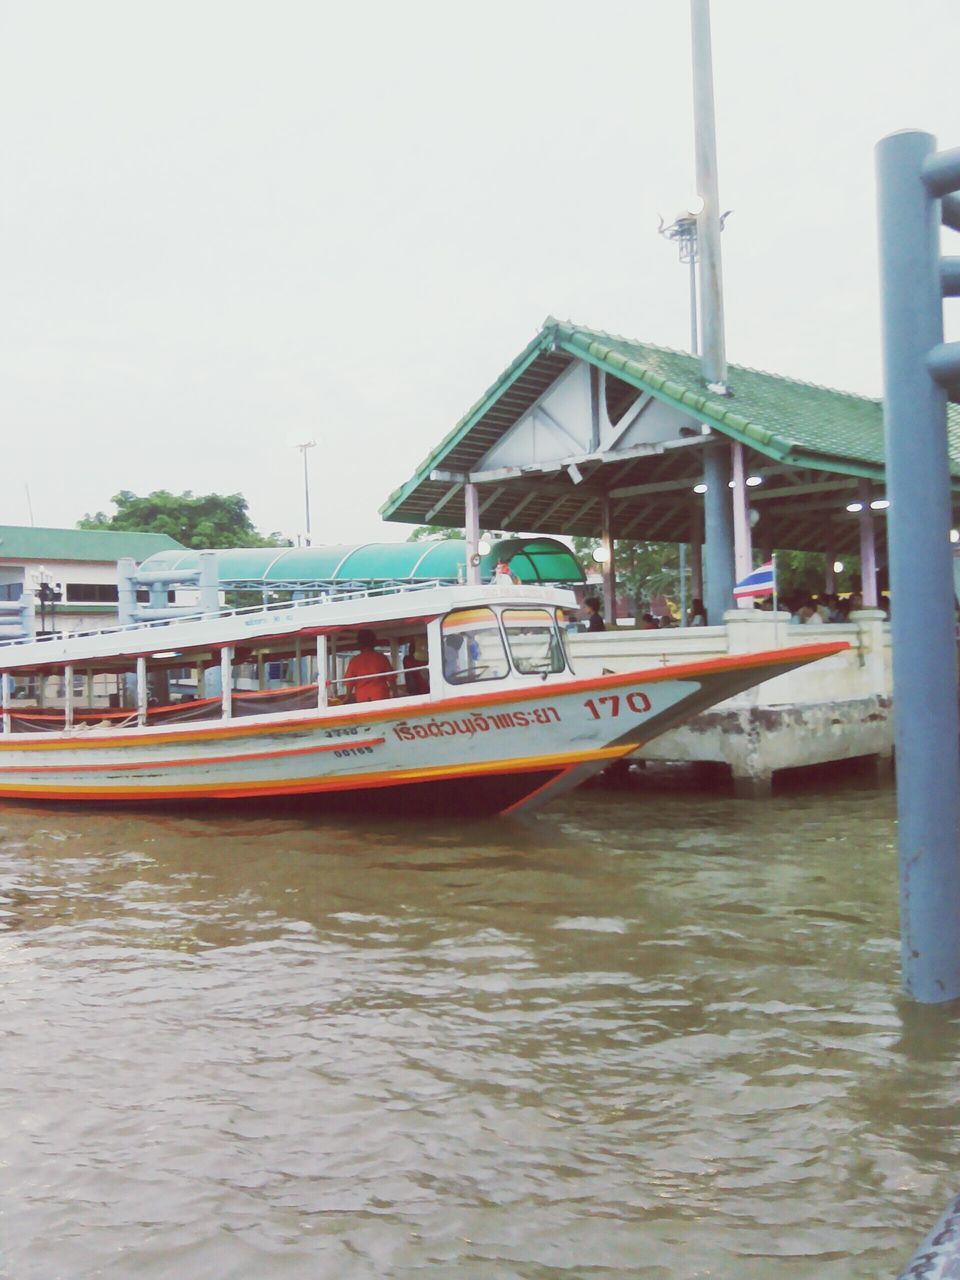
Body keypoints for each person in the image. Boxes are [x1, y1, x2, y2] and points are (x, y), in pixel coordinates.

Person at [344, 630, 396, 703]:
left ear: (359, 643)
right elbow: (391, 678)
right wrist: (395, 693)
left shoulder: (354, 661)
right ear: (374, 642)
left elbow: (349, 682)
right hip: (381, 695)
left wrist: (347, 697)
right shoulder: (381, 658)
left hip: (362, 697)